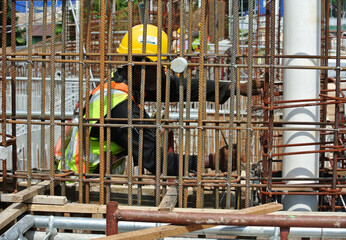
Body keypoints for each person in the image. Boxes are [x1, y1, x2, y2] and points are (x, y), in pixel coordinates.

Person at [65, 24, 262, 176]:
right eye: (160, 67)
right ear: (141, 65)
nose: (164, 73)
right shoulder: (122, 109)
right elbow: (156, 161)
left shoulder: (123, 79)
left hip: (95, 173)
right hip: (82, 179)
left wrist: (232, 87)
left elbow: (179, 87)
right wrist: (212, 160)